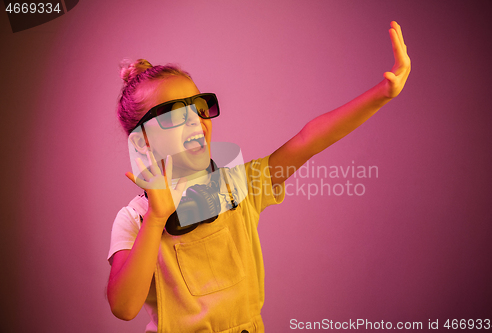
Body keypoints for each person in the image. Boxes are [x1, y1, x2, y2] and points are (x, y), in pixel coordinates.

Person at [107, 21, 411, 333]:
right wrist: (157, 219)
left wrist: (382, 94)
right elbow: (124, 307)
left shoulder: (239, 186)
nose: (195, 122)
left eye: (199, 106)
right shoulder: (134, 220)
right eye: (173, 114)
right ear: (142, 141)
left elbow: (308, 140)